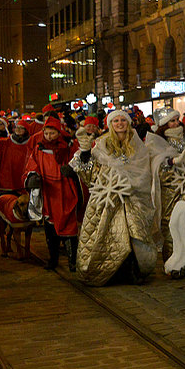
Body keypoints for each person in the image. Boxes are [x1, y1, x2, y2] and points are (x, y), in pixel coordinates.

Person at [71, 108, 162, 286]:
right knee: (108, 234)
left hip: (133, 197)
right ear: (110, 124)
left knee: (134, 234)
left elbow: (144, 172)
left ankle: (133, 272)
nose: (120, 123)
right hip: (108, 196)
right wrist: (84, 153)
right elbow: (90, 173)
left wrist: (131, 184)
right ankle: (110, 272)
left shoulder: (138, 146)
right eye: (116, 121)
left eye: (123, 120)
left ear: (128, 123)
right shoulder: (101, 144)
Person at [23, 116, 83, 271]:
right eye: (47, 133)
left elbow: (80, 161)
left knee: (69, 225)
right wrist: (33, 176)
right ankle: (53, 258)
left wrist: (72, 170)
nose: (49, 136)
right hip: (49, 191)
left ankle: (73, 261)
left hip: (65, 189)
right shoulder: (39, 148)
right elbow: (32, 164)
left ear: (59, 132)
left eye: (52, 133)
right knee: (50, 225)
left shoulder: (69, 147)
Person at [146, 107, 185, 259]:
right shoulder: (156, 141)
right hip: (170, 188)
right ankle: (172, 258)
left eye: (176, 120)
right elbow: (154, 164)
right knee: (170, 221)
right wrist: (171, 162)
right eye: (171, 121)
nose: (175, 123)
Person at [0, 118, 32, 195]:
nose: (18, 130)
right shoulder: (5, 142)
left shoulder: (30, 143)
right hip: (8, 175)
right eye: (17, 127)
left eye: (21, 128)